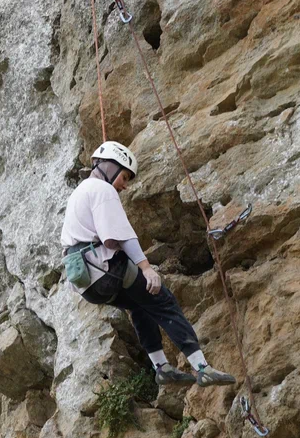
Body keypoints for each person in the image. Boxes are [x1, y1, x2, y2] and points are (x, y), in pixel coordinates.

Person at [60, 141, 235, 387]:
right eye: (124, 176)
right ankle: (202, 367)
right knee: (161, 299)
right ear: (109, 166)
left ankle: (161, 367)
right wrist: (146, 268)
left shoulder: (78, 193)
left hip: (87, 285)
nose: (125, 184)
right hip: (105, 269)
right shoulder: (102, 190)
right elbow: (120, 237)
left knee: (141, 305)